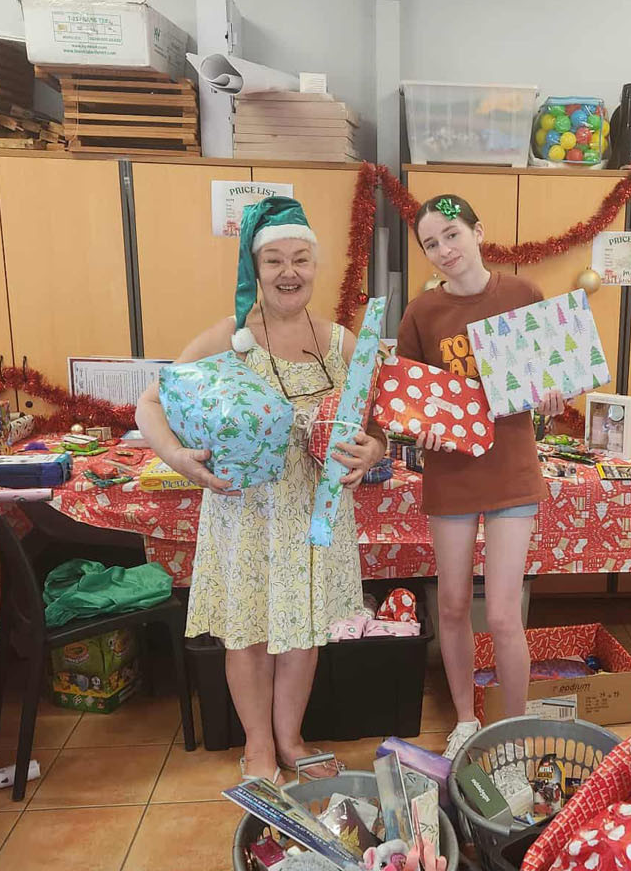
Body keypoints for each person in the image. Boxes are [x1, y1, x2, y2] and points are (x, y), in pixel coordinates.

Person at [135, 197, 385, 785]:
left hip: (316, 511)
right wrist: (178, 459)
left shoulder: (341, 342)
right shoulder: (229, 336)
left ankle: (292, 739)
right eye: (274, 260)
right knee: (248, 628)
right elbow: (151, 402)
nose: (289, 272)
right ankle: (258, 748)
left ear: (315, 266)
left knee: (302, 627)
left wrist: (371, 450)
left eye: (300, 258)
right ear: (255, 267)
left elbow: (378, 423)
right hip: (245, 510)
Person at [396, 194, 564, 760]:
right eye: (431, 243)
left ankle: (512, 728)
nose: (444, 250)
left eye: (451, 235)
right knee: (449, 603)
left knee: (501, 610)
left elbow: (549, 384)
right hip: (451, 473)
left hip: (511, 468)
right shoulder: (421, 314)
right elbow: (408, 399)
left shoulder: (521, 295)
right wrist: (415, 428)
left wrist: (555, 393)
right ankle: (468, 717)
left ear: (477, 231)